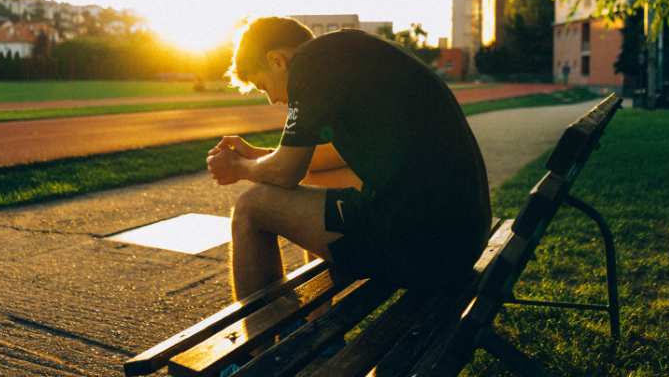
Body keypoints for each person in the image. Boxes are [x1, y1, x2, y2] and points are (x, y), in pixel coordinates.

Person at [206, 17, 492, 309]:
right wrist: (259, 155)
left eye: (263, 85)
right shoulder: (350, 53)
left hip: (426, 247)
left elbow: (286, 173)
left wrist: (238, 168)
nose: (272, 99)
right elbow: (317, 162)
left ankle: (261, 352)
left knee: (251, 207)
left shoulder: (308, 62)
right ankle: (319, 334)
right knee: (316, 182)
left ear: (277, 60)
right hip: (462, 235)